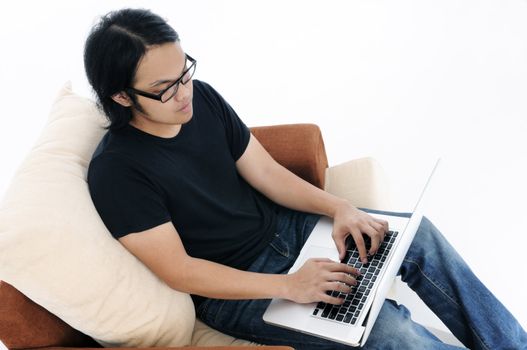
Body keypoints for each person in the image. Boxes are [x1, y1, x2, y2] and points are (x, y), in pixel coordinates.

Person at [84, 8, 527, 350]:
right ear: (122, 96)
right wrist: (289, 286)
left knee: (416, 236)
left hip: (289, 229)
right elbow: (181, 271)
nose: (185, 93)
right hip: (241, 287)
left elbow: (266, 172)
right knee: (387, 329)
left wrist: (339, 208)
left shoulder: (203, 100)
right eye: (166, 88)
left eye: (186, 72)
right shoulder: (116, 172)